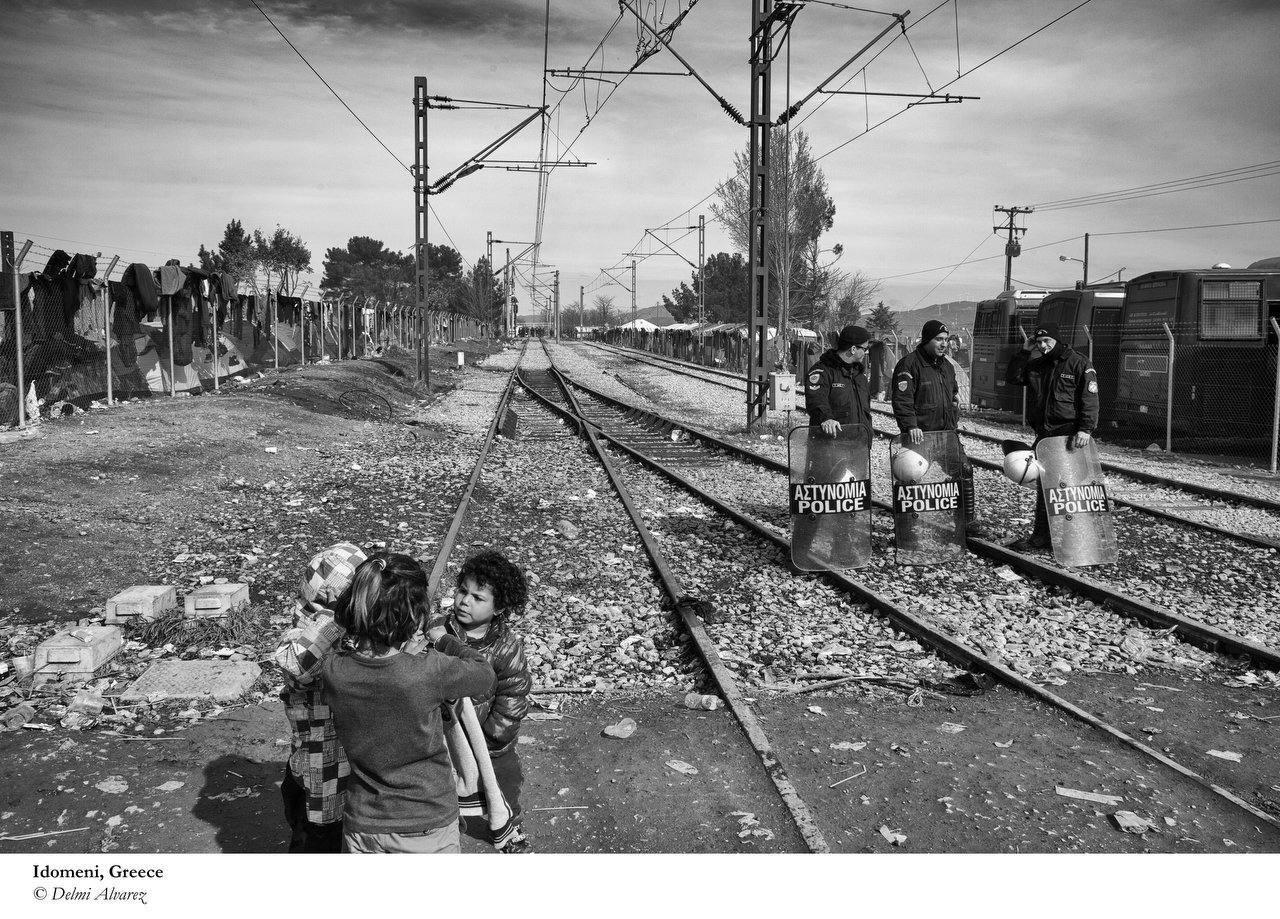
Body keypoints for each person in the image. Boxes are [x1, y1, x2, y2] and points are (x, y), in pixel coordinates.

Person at [287, 552, 495, 853]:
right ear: (416, 618)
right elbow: (483, 673)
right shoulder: (429, 670)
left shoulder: (335, 671)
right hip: (427, 822)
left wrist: (336, 612)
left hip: (363, 824)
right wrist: (443, 640)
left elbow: (324, 655)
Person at [432, 550, 533, 853]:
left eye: (478, 597)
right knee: (442, 782)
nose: (465, 601)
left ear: (499, 607)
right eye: (463, 591)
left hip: (487, 736)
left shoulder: (505, 646)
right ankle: (447, 824)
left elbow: (513, 693)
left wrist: (493, 737)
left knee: (505, 783)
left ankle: (508, 826)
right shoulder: (437, 630)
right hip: (442, 731)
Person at [274, 541, 368, 854]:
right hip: (318, 768)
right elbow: (300, 668)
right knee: (315, 840)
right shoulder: (301, 636)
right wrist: (335, 617)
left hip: (349, 763)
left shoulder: (357, 631)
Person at [890, 320, 992, 538]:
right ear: (926, 339)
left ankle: (966, 521)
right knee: (910, 478)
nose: (943, 344)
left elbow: (953, 393)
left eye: (946, 340)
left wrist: (954, 412)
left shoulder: (946, 365)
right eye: (938, 339)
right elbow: (902, 399)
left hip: (947, 434)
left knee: (964, 471)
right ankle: (906, 525)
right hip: (921, 436)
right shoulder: (909, 365)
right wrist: (910, 425)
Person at [1003, 321, 1100, 550]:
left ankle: (1075, 538)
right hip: (1044, 435)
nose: (1043, 346)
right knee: (1046, 486)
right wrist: (1024, 352)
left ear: (1057, 340)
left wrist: (1085, 429)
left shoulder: (1078, 363)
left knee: (1070, 488)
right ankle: (1043, 536)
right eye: (1039, 342)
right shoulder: (1037, 366)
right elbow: (1014, 378)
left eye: (1047, 341)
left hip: (1069, 435)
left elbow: (1090, 398)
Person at [805, 324, 871, 433]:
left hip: (859, 444)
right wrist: (826, 418)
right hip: (830, 443)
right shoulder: (823, 372)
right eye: (865, 349)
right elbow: (816, 400)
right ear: (853, 349)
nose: (866, 352)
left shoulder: (859, 376)